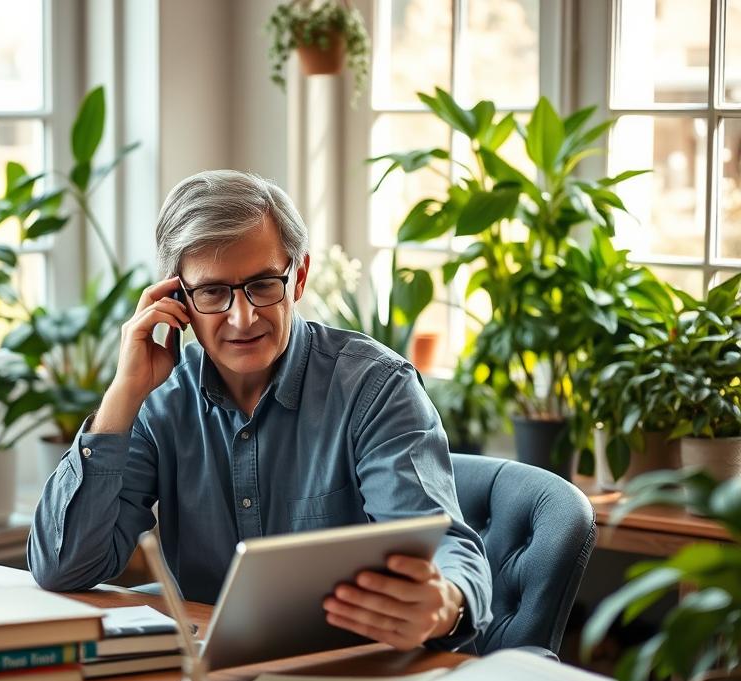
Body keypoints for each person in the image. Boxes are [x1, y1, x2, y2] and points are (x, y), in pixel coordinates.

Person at [28, 170, 492, 651]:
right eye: (212, 292)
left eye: (263, 284)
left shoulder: (375, 388)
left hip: (353, 674)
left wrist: (446, 602)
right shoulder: (159, 400)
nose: (243, 317)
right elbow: (64, 569)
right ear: (177, 299)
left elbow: (448, 550)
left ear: (299, 276)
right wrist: (123, 394)